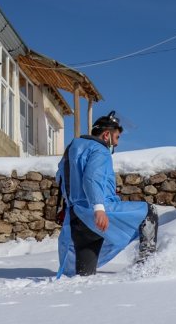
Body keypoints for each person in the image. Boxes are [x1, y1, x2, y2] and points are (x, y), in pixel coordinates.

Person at [56, 111, 158, 277]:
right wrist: (98, 208)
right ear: (106, 135)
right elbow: (91, 178)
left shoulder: (71, 151)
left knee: (82, 276)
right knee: (149, 211)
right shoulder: (100, 150)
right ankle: (147, 265)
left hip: (76, 220)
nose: (116, 144)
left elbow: (61, 180)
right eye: (117, 138)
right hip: (97, 213)